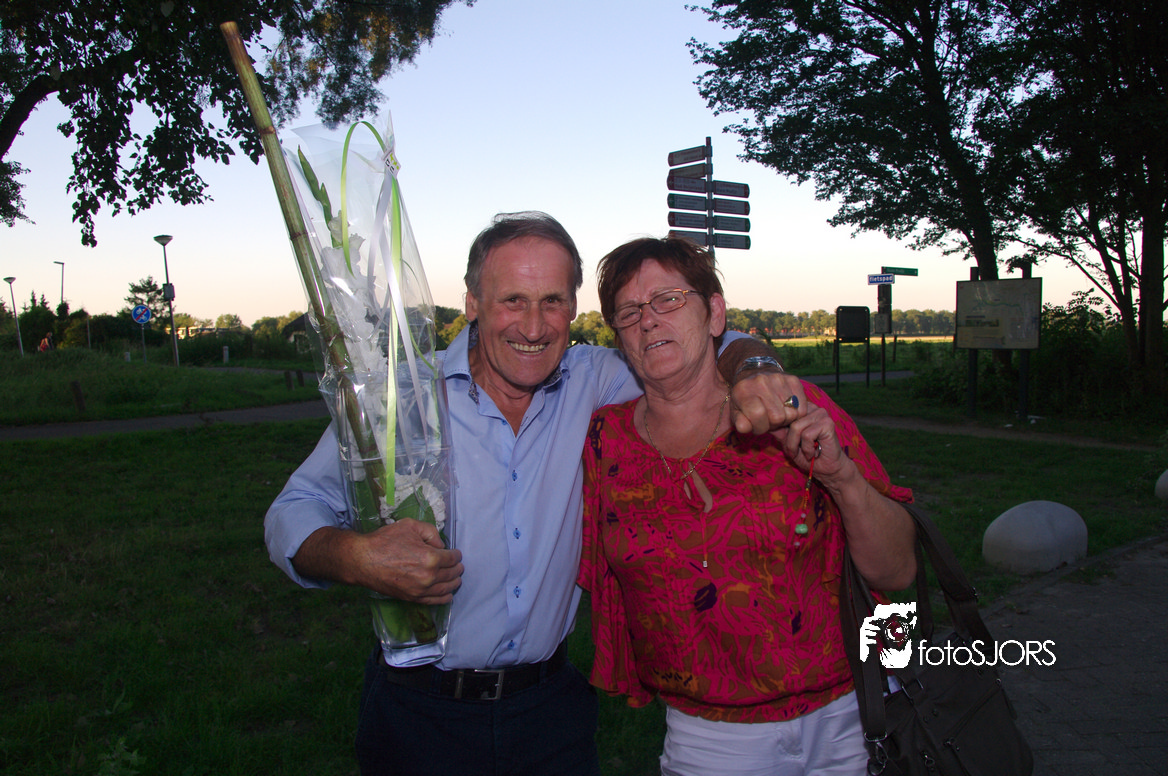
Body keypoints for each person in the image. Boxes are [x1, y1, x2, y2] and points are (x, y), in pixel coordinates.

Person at [264, 213, 807, 776]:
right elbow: (292, 511)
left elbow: (704, 344)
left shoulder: (596, 380)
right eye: (512, 301)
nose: (533, 326)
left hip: (551, 716)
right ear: (473, 303)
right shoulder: (402, 400)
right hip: (419, 715)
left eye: (552, 301)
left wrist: (755, 368)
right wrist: (356, 557)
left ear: (572, 309)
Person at [580, 236, 918, 776]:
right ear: (619, 335)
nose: (649, 319)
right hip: (709, 736)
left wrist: (841, 478)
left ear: (715, 313)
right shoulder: (605, 441)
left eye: (669, 299)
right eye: (629, 311)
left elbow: (898, 572)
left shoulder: (792, 407)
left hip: (853, 711)